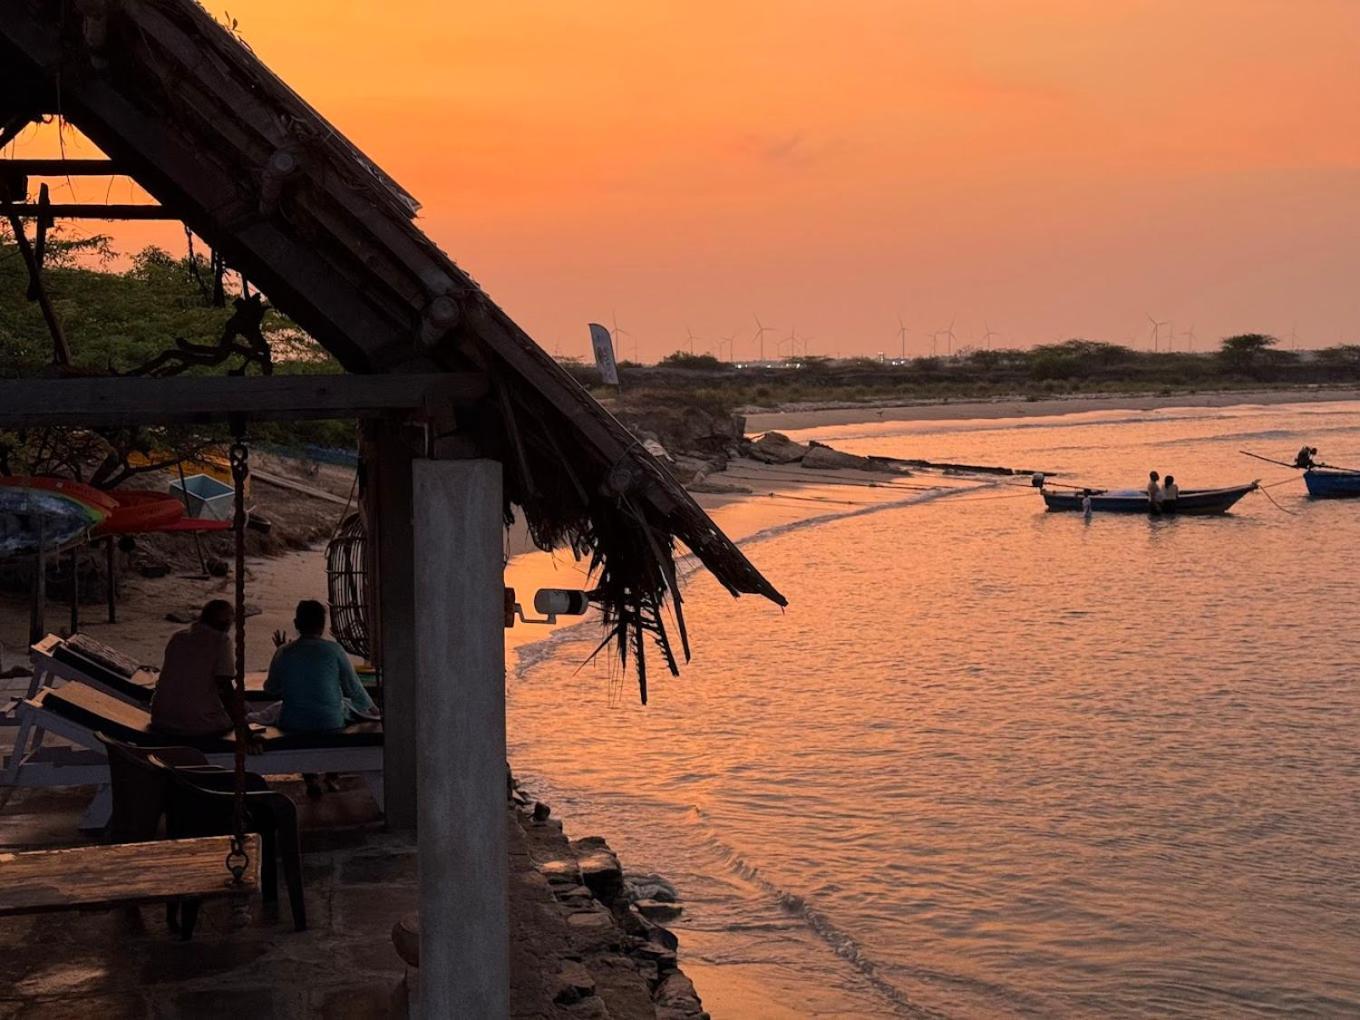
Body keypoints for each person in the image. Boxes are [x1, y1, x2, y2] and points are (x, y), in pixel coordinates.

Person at [265, 600, 378, 796]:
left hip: (293, 722)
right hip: (329, 722)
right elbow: (353, 688)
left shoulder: (283, 652)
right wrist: (372, 708)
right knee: (339, 710)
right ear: (323, 625)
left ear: (296, 623)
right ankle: (332, 776)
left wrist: (281, 655)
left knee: (289, 710)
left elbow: (271, 689)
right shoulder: (334, 650)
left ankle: (310, 779)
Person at [150, 599, 238, 737]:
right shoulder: (221, 641)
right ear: (227, 622)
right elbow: (224, 687)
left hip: (160, 718)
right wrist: (245, 730)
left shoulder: (178, 637)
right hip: (197, 724)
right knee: (243, 710)